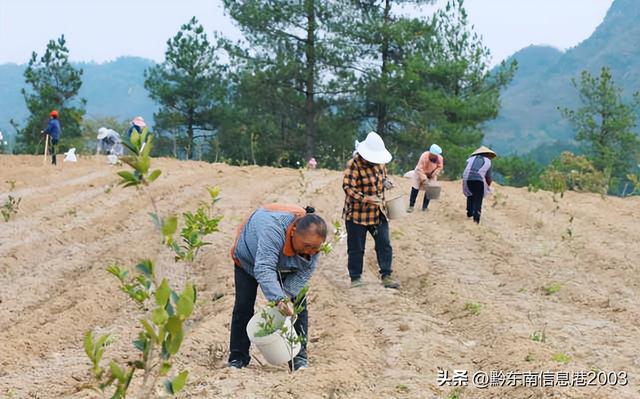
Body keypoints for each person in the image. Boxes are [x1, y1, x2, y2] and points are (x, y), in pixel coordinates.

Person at [228, 204, 327, 371]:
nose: (310, 251)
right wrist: (278, 299)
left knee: (298, 307)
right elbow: (264, 268)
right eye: (306, 246)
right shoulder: (273, 230)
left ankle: (299, 358)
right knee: (243, 306)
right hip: (249, 259)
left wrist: (287, 296)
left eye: (314, 248)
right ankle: (238, 358)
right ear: (294, 230)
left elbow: (304, 273)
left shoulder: (314, 244)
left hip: (287, 264)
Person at [342, 131, 400, 289]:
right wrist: (365, 198)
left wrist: (387, 182)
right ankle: (356, 278)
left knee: (384, 244)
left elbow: (383, 178)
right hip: (356, 215)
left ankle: (386, 275)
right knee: (356, 248)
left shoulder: (380, 164)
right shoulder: (354, 164)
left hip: (377, 212)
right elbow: (348, 187)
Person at [462, 146, 496, 224]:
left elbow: (467, 170)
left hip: (467, 179)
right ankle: (476, 218)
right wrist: (488, 185)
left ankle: (469, 212)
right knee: (478, 198)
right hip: (479, 180)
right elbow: (488, 177)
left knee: (470, 194)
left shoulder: (470, 160)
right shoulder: (488, 161)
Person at [407, 143, 444, 213]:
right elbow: (419, 169)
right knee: (415, 188)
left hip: (431, 174)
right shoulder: (424, 156)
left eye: (436, 155)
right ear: (430, 153)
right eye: (433, 155)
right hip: (419, 173)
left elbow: (440, 167)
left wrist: (434, 174)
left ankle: (425, 207)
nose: (434, 156)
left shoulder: (439, 158)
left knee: (430, 189)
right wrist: (424, 179)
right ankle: (411, 206)